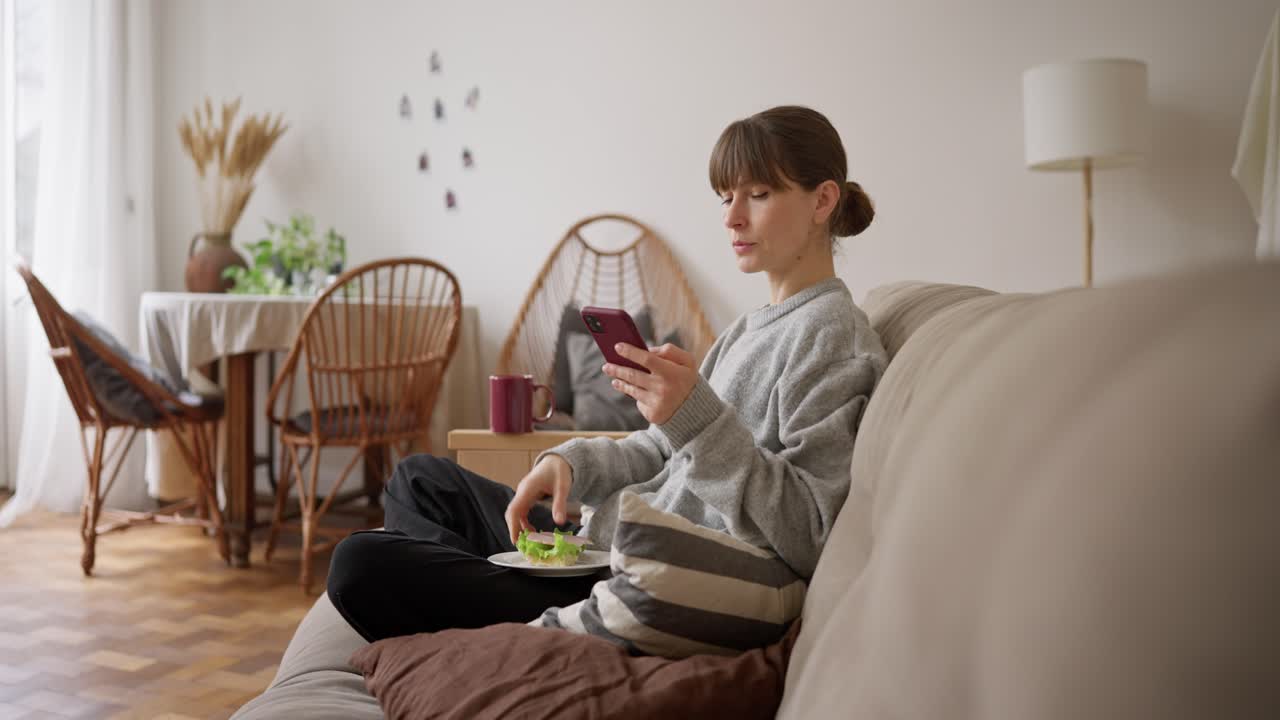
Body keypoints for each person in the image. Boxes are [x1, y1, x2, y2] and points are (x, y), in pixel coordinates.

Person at [326, 105, 888, 643]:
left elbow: (811, 531)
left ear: (823, 201)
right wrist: (571, 461)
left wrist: (698, 420)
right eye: (725, 198)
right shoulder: (747, 331)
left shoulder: (834, 337)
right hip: (597, 539)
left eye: (758, 195)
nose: (732, 217)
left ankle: (506, 609)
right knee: (420, 478)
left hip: (629, 578)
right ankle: (488, 588)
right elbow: (663, 450)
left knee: (360, 564)